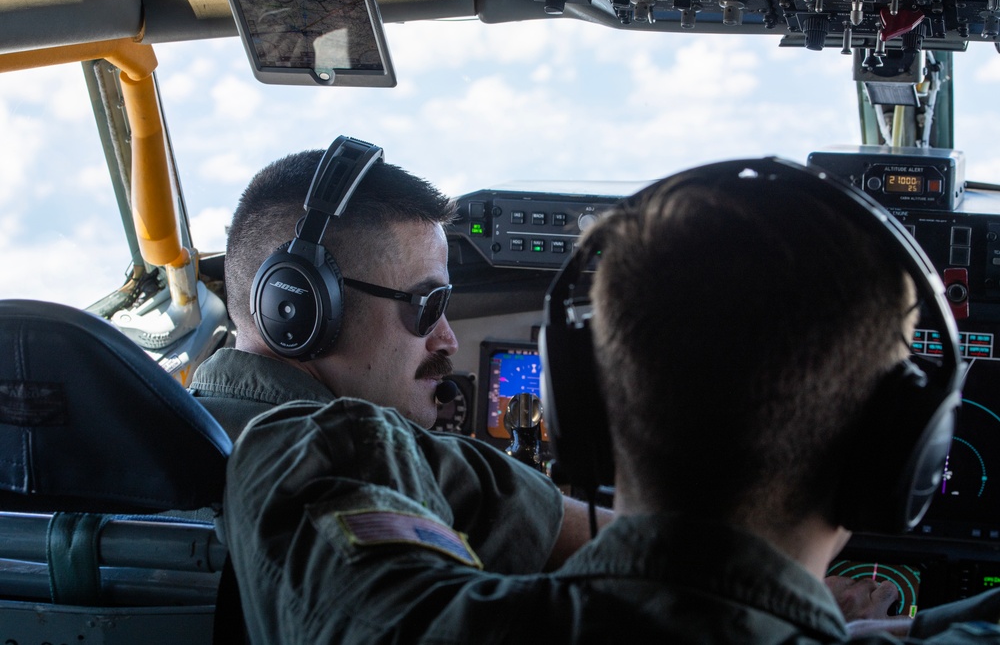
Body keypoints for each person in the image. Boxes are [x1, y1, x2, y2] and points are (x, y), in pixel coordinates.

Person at [223, 157, 1000, 642]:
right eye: (428, 305)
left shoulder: (413, 616)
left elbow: (311, 458)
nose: (452, 341)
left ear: (582, 417)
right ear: (899, 454)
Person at [191, 142, 606, 578]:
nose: (447, 339)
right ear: (305, 306)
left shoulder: (169, 434)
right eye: (428, 304)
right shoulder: (376, 468)